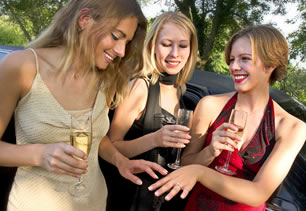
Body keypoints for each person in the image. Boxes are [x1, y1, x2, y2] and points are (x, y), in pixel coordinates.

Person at [0, 0, 168, 210]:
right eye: (116, 36)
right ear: (85, 19)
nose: (121, 51)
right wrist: (39, 155)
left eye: (127, 42)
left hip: (94, 203)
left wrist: (120, 161)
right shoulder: (22, 66)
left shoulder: (107, 78)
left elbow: (97, 138)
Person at [148, 24, 306, 211]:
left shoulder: (292, 127)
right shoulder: (209, 105)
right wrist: (210, 152)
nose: (234, 67)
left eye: (245, 59)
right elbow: (184, 164)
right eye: (232, 59)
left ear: (270, 64)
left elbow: (258, 194)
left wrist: (200, 173)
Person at [107, 11, 198, 211]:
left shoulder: (185, 95)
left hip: (164, 202)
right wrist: (155, 139)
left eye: (183, 45)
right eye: (166, 44)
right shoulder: (140, 86)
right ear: (152, 46)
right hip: (132, 198)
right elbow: (112, 147)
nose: (175, 53)